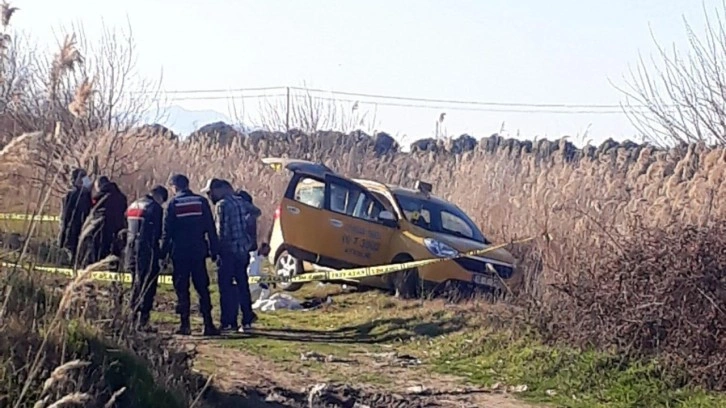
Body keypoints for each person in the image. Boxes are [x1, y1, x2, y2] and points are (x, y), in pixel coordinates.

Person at [161, 174, 220, 336]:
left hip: (179, 252)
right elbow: (211, 228)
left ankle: (185, 324)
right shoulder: (201, 202)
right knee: (202, 287)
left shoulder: (173, 204)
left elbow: (167, 232)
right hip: (199, 250)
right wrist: (214, 250)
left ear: (174, 187)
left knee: (182, 288)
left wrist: (162, 254)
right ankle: (208, 324)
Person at [204, 179, 261, 333]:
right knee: (243, 285)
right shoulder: (240, 201)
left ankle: (228, 321)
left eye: (210, 192)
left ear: (219, 189)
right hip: (242, 250)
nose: (210, 196)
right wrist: (247, 236)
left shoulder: (221, 205)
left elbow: (221, 231)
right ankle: (247, 319)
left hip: (228, 251)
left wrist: (216, 251)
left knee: (226, 287)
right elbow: (257, 212)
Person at [125, 185, 168, 330]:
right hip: (146, 250)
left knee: (135, 284)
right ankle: (143, 321)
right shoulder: (154, 208)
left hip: (131, 250)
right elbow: (158, 232)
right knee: (147, 285)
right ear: (159, 196)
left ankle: (131, 317)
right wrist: (162, 254)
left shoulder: (134, 204)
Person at [58, 168, 92, 266]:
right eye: (81, 178)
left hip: (84, 225)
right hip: (73, 225)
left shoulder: (87, 195)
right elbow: (66, 214)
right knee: (72, 247)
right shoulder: (71, 194)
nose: (84, 180)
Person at [91, 176, 128, 262]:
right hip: (118, 229)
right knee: (115, 255)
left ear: (99, 186)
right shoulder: (121, 196)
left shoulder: (99, 198)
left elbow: (94, 213)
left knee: (100, 255)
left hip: (102, 231)